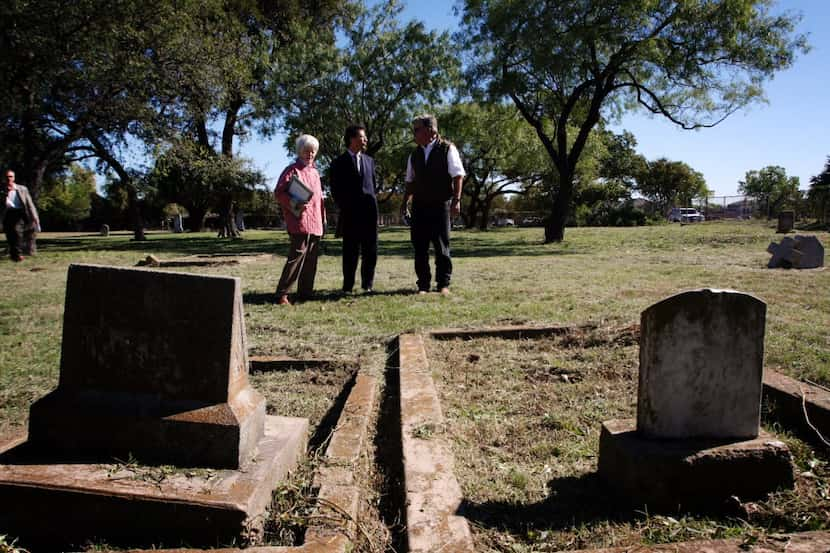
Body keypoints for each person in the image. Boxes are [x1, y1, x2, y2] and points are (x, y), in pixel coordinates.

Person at [400, 114, 465, 295]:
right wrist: (405, 202)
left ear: (430, 130)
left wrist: (456, 201)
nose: (414, 133)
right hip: (419, 206)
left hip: (440, 204)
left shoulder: (447, 149)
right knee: (420, 246)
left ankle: (443, 284)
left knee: (441, 246)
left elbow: (458, 175)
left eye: (417, 129)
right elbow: (410, 182)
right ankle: (423, 285)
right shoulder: (414, 154)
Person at [273, 135, 326, 306]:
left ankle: (305, 293)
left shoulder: (316, 173)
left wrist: (323, 220)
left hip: (315, 222)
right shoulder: (291, 170)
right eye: (306, 151)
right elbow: (279, 193)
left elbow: (320, 200)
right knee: (296, 257)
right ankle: (282, 294)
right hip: (299, 220)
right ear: (299, 151)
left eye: (313, 151)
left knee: (311, 259)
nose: (310, 154)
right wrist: (295, 204)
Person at [330, 124, 378, 294]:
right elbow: (335, 189)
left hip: (369, 213)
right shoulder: (338, 162)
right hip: (350, 214)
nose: (365, 140)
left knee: (370, 250)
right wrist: (344, 206)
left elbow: (372, 185)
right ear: (352, 139)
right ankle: (348, 286)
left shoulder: (369, 161)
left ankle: (367, 285)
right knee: (350, 251)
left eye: (365, 137)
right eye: (362, 137)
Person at [2, 169, 40, 262]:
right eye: (7, 177)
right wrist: (6, 192)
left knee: (17, 232)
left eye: (10, 176)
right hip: (7, 213)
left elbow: (29, 203)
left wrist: (35, 217)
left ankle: (18, 254)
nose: (9, 179)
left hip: (20, 213)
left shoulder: (22, 189)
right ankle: (14, 255)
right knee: (10, 235)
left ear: (14, 178)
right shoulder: (2, 189)